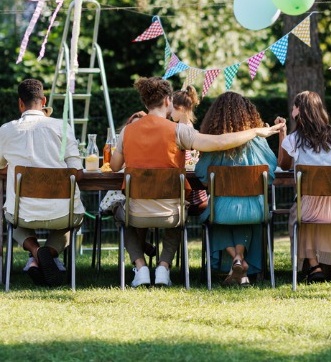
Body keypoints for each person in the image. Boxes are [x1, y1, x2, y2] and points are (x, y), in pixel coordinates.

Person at [110, 77, 283, 288]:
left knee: (120, 214)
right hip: (170, 212)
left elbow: (114, 165)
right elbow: (219, 142)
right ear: (168, 101)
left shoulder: (127, 131)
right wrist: (255, 131)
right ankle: (163, 268)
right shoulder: (179, 131)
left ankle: (141, 267)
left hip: (135, 211)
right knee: (178, 212)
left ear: (145, 103)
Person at [0, 79, 85, 287]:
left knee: (10, 217)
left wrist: (17, 171)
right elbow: (77, 172)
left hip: (22, 213)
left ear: (20, 104)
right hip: (62, 213)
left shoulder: (7, 129)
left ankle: (36, 254)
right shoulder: (62, 126)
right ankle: (46, 256)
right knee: (72, 221)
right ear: (43, 102)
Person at [195, 92, 278, 286]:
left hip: (221, 209)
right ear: (249, 114)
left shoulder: (214, 142)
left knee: (215, 216)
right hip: (255, 210)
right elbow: (270, 175)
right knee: (244, 216)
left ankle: (236, 259)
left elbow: (201, 174)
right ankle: (239, 259)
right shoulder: (258, 140)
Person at [275, 91, 331, 283]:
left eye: (294, 107)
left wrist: (282, 133)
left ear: (299, 111)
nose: (292, 110)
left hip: (309, 207)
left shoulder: (293, 139)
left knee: (298, 216)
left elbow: (284, 164)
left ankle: (314, 266)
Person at [172, 86, 207, 216]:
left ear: (180, 109)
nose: (170, 112)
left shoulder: (181, 130)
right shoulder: (190, 128)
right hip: (196, 189)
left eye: (172, 108)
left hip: (189, 194)